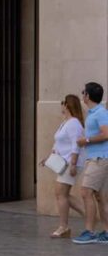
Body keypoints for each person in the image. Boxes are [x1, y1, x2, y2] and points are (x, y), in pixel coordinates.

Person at [40, 94, 86, 238]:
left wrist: (73, 164)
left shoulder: (73, 123)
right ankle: (89, 215)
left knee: (61, 193)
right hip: (64, 162)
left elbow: (76, 144)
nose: (61, 105)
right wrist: (49, 158)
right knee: (61, 194)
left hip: (69, 163)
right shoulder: (66, 122)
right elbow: (58, 144)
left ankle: (64, 226)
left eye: (63, 103)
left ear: (67, 105)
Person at [73, 82, 108, 244]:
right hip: (96, 158)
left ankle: (90, 231)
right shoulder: (93, 113)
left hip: (99, 159)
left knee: (86, 192)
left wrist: (86, 140)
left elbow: (106, 134)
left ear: (87, 95)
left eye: (83, 92)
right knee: (100, 197)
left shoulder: (100, 113)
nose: (82, 95)